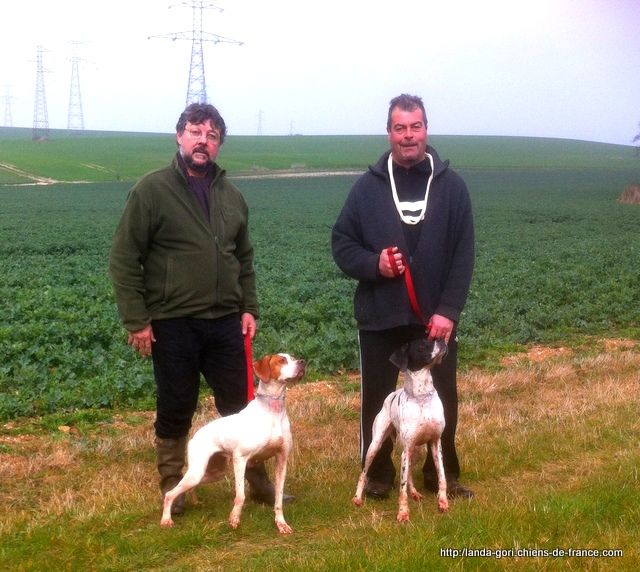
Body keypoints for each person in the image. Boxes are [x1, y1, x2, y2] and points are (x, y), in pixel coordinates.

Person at [109, 102, 282, 516]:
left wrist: (249, 307)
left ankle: (256, 482)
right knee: (176, 404)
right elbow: (123, 258)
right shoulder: (152, 190)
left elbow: (245, 259)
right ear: (179, 136)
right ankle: (174, 482)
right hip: (173, 322)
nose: (202, 141)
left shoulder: (232, 196)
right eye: (195, 132)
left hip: (225, 321)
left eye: (212, 135)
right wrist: (137, 320)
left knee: (241, 405)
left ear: (218, 144)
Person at [331, 94, 475, 500]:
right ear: (389, 132)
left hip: (434, 320)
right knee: (378, 400)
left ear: (426, 130)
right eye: (399, 128)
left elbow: (464, 254)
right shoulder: (365, 189)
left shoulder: (453, 187)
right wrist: (373, 264)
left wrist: (448, 310)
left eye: (415, 127)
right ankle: (377, 475)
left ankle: (440, 475)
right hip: (379, 317)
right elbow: (341, 243)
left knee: (442, 398)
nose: (408, 136)